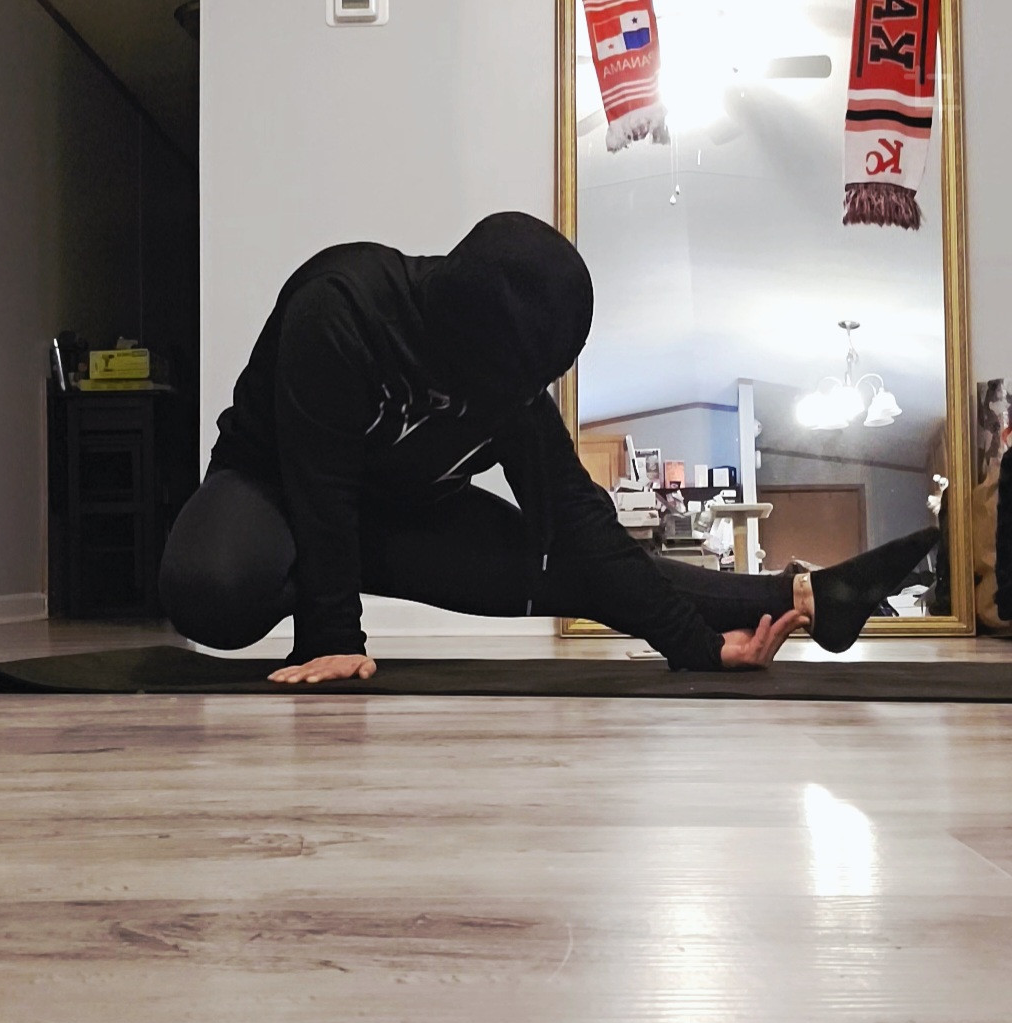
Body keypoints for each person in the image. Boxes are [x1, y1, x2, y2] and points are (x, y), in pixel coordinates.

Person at [159, 212, 938, 683]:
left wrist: (699, 647)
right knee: (210, 592)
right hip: (275, 488)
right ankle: (287, 576)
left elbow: (582, 527)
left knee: (566, 562)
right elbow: (321, 487)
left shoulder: (512, 383)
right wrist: (333, 637)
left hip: (398, 513)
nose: (520, 401)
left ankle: (808, 596)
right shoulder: (340, 312)